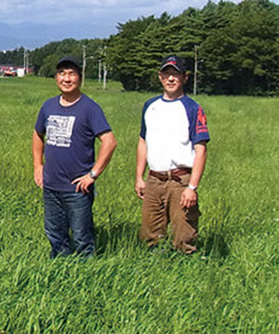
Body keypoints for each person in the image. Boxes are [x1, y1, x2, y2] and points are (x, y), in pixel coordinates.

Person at [32, 56, 118, 257]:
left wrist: (93, 175)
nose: (67, 79)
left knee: (81, 236)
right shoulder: (48, 106)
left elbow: (110, 141)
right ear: (56, 78)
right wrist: (38, 165)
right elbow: (38, 134)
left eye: (72, 74)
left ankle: (85, 276)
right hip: (51, 184)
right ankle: (59, 271)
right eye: (62, 73)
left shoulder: (89, 108)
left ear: (80, 78)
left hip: (78, 187)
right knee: (54, 233)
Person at [135, 55, 210, 254]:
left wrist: (192, 187)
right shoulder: (150, 106)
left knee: (184, 238)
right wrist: (139, 178)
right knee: (150, 236)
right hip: (153, 180)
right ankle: (154, 271)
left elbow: (201, 149)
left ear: (185, 78)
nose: (170, 79)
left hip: (180, 181)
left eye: (175, 74)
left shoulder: (193, 108)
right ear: (160, 77)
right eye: (166, 74)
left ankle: (188, 273)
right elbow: (143, 141)